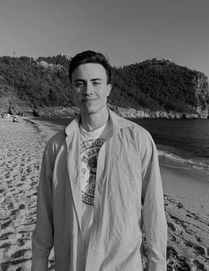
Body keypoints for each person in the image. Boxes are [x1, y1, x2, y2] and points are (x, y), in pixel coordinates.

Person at [32, 50, 167, 271]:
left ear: (108, 89)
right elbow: (44, 216)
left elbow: (154, 212)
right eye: (80, 83)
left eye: (96, 82)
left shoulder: (138, 139)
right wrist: (38, 264)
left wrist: (157, 264)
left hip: (121, 263)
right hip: (71, 261)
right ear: (72, 89)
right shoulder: (57, 146)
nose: (88, 91)